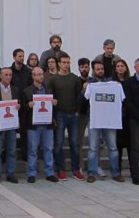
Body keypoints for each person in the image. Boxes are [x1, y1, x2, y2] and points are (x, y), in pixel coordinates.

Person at [82, 60, 125, 183]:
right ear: (93, 70)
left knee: (113, 147)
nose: (100, 71)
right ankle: (92, 172)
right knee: (93, 148)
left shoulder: (114, 84)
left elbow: (122, 99)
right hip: (94, 120)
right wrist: (84, 89)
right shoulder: (90, 84)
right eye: (97, 69)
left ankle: (116, 172)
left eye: (101, 68)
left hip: (110, 120)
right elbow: (82, 100)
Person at [47, 53, 83, 181]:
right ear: (58, 63)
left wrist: (78, 111)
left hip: (73, 114)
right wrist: (53, 116)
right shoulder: (53, 79)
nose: (66, 65)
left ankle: (76, 169)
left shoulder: (75, 79)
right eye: (64, 62)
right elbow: (50, 98)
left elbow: (79, 96)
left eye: (68, 62)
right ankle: (60, 169)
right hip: (60, 114)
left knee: (74, 143)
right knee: (59, 143)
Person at [23, 67, 58, 183]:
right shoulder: (27, 91)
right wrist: (28, 105)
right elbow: (22, 108)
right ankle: (32, 173)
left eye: (42, 74)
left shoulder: (48, 90)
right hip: (33, 126)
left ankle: (50, 172)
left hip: (47, 124)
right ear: (33, 76)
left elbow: (53, 105)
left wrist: (54, 103)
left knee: (49, 148)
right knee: (33, 149)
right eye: (38, 74)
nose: (41, 76)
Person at [0, 66, 20, 183]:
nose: (8, 77)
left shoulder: (16, 89)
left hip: (11, 125)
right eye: (5, 75)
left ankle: (10, 174)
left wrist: (19, 106)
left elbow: (19, 103)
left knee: (11, 151)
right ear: (0, 76)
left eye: (10, 75)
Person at [114, 59, 131, 172]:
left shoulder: (131, 82)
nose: (120, 68)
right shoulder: (112, 82)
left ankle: (132, 168)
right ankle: (117, 168)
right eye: (118, 66)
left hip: (129, 116)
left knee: (130, 144)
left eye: (122, 65)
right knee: (117, 144)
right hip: (116, 116)